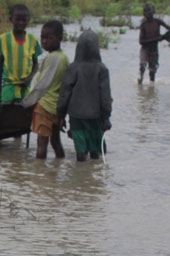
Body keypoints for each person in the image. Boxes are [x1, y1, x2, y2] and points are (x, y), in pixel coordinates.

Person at [56, 30, 112, 162]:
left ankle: (80, 177)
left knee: (80, 150)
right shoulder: (102, 69)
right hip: (95, 116)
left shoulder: (72, 68)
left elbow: (64, 94)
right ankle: (91, 179)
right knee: (95, 152)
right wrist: (106, 117)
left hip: (76, 116)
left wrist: (60, 116)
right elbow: (105, 97)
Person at [21, 21, 69, 159]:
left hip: (44, 107)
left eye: (49, 38)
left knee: (42, 143)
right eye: (42, 38)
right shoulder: (64, 57)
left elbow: (42, 85)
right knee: (56, 142)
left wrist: (27, 103)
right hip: (56, 108)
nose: (44, 41)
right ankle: (58, 167)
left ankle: (40, 174)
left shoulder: (53, 58)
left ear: (59, 38)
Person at [0, 4, 42, 104]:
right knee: (7, 115)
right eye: (17, 19)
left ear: (28, 20)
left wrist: (29, 78)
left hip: (25, 88)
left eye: (24, 20)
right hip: (8, 86)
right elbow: (0, 66)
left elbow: (36, 64)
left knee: (23, 115)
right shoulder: (3, 39)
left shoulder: (32, 40)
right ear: (11, 19)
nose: (20, 23)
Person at [137, 3, 170, 83]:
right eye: (145, 11)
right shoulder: (143, 25)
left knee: (152, 70)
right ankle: (140, 82)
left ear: (154, 11)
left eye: (149, 10)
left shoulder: (158, 22)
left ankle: (151, 87)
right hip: (145, 49)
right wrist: (158, 38)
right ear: (143, 14)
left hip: (154, 50)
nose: (147, 13)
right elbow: (141, 41)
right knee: (142, 66)